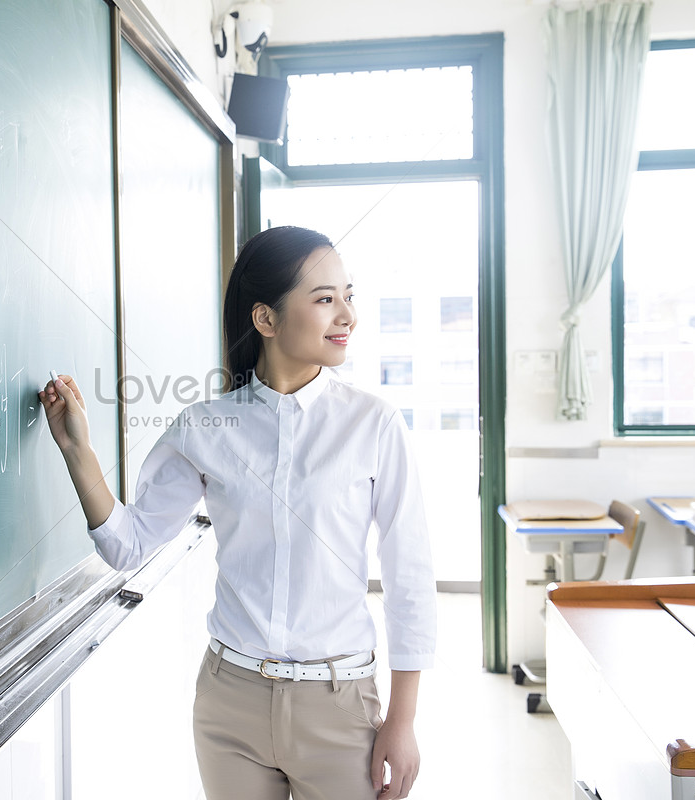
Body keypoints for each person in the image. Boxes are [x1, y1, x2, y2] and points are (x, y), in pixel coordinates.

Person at [38, 225, 436, 800]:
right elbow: (128, 544)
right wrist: (78, 451)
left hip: (340, 707)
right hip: (230, 708)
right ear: (266, 320)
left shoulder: (373, 424)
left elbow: (410, 579)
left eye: (349, 295)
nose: (346, 314)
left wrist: (402, 721)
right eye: (325, 299)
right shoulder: (206, 426)